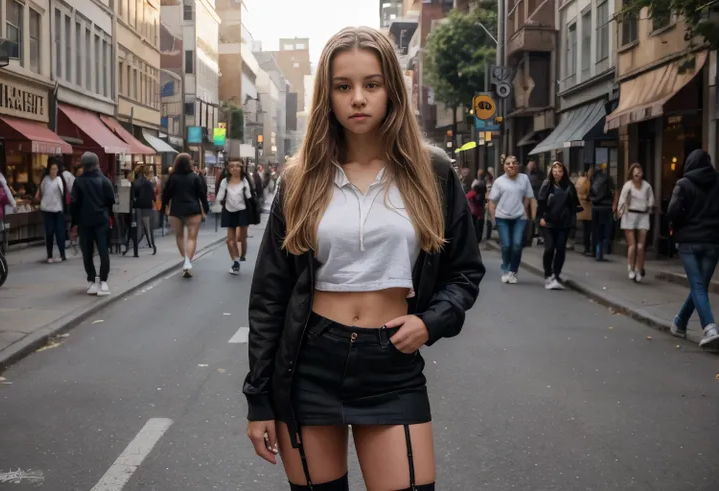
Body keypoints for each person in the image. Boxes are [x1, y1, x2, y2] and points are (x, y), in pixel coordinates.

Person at [244, 26, 484, 491]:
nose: (358, 98)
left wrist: (431, 322)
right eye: (343, 86)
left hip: (391, 365)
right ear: (327, 96)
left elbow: (465, 271)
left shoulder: (431, 173)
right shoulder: (300, 179)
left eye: (371, 85)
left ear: (392, 89)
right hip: (309, 362)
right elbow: (270, 294)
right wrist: (259, 399)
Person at [667, 149, 719, 348]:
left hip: (689, 241)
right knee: (700, 286)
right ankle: (680, 322)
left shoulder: (683, 184)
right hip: (713, 241)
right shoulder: (717, 182)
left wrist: (677, 226)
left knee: (697, 285)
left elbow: (672, 211)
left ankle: (709, 327)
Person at [70, 152, 115, 296]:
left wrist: (74, 223)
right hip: (101, 220)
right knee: (103, 251)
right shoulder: (104, 181)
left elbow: (74, 204)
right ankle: (103, 281)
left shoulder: (78, 181)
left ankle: (92, 280)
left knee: (87, 252)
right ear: (97, 164)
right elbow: (111, 201)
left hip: (84, 221)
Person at [161, 153, 208, 278]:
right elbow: (202, 194)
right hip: (193, 210)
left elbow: (166, 195)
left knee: (179, 236)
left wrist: (163, 208)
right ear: (189, 163)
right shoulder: (195, 177)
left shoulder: (173, 178)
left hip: (176, 210)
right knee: (192, 238)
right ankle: (188, 262)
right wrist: (206, 208)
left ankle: (186, 260)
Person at [488, 156, 534, 284]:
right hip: (502, 217)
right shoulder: (499, 182)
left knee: (517, 244)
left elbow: (528, 196)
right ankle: (506, 269)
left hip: (520, 217)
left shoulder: (524, 179)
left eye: (514, 163)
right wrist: (494, 221)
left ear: (518, 165)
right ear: (504, 167)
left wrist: (527, 212)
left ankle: (513, 271)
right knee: (507, 245)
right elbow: (492, 202)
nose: (511, 165)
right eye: (508, 163)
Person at [537, 161, 581, 290]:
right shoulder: (546, 185)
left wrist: (573, 220)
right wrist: (540, 218)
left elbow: (573, 205)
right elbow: (541, 203)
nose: (557, 172)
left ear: (564, 172)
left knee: (561, 248)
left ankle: (556, 274)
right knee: (550, 247)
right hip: (548, 222)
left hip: (563, 222)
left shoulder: (569, 186)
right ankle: (548, 274)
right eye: (554, 169)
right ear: (551, 171)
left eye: (560, 170)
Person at [617, 163, 655, 282]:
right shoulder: (628, 186)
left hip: (643, 215)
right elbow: (622, 200)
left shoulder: (647, 186)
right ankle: (631, 268)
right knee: (632, 245)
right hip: (630, 215)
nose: (637, 175)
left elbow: (651, 200)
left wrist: (649, 206)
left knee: (640, 246)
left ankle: (640, 268)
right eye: (635, 173)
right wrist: (620, 210)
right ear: (632, 174)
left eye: (639, 173)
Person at [216, 160, 252, 274]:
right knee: (230, 241)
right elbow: (219, 197)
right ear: (228, 168)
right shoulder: (224, 182)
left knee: (241, 238)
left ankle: (243, 255)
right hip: (229, 211)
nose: (234, 168)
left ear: (241, 168)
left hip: (242, 211)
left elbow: (249, 197)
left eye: (237, 166)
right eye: (231, 166)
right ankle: (236, 262)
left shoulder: (244, 181)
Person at [35, 158, 68, 263]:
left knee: (60, 233)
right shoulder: (45, 180)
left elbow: (64, 194)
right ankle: (49, 255)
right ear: (49, 170)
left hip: (58, 210)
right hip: (47, 210)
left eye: (55, 169)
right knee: (49, 233)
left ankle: (62, 254)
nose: (54, 171)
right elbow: (41, 192)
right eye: (52, 169)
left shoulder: (59, 180)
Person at [589, 162, 615, 261]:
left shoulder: (594, 180)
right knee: (605, 229)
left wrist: (592, 200)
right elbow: (612, 191)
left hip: (596, 207)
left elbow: (590, 194)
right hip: (607, 207)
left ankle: (597, 251)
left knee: (596, 229)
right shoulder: (609, 179)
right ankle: (603, 249)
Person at [575, 167, 593, 256]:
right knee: (588, 229)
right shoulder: (586, 182)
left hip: (581, 206)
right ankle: (587, 247)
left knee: (584, 228)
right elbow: (588, 193)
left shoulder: (578, 181)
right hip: (587, 207)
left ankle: (584, 246)